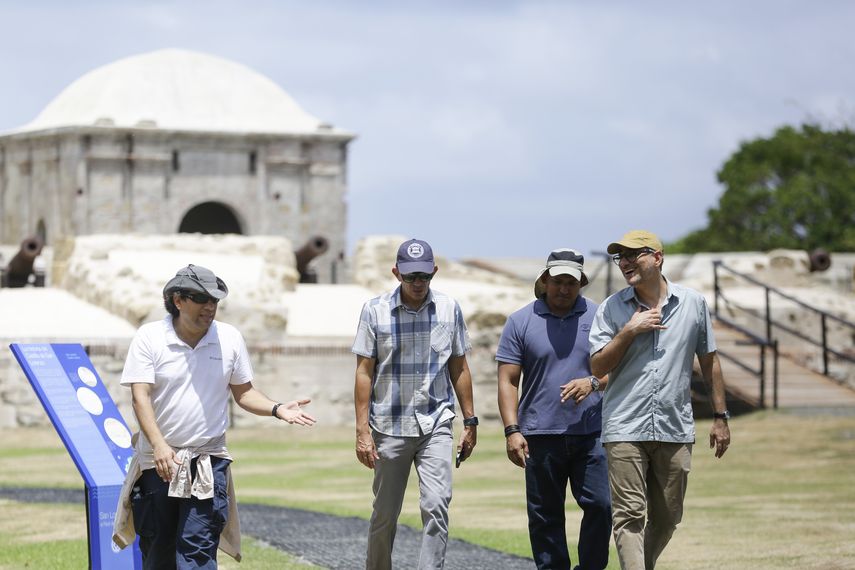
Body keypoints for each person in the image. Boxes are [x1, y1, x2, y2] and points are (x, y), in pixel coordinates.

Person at [112, 264, 316, 569]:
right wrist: (159, 445)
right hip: (158, 462)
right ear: (178, 300)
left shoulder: (230, 338)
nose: (210, 307)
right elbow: (140, 396)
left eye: (215, 301)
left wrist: (277, 409)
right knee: (158, 551)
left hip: (208, 460)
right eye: (201, 299)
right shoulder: (149, 337)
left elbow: (244, 393)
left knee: (197, 550)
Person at [588, 230, 731, 570]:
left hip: (674, 426)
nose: (624, 263)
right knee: (629, 516)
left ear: (657, 257)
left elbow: (709, 361)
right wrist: (629, 331)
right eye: (619, 257)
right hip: (624, 426)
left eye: (632, 255)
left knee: (668, 517)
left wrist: (721, 416)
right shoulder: (611, 308)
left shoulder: (693, 303)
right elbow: (597, 365)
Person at [352, 238, 478, 570]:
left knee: (437, 505)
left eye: (424, 276)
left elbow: (460, 367)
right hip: (389, 426)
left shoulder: (450, 309)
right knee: (384, 515)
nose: (418, 283)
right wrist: (361, 431)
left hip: (435, 423)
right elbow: (364, 372)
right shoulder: (374, 310)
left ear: (434, 272)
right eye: (411, 277)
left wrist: (470, 421)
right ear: (397, 273)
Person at [496, 248, 612, 570]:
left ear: (581, 284)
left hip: (591, 431)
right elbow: (507, 380)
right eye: (558, 281)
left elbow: (616, 367)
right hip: (539, 433)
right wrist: (512, 430)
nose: (564, 289)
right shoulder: (520, 321)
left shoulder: (598, 316)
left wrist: (592, 382)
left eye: (571, 283)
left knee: (602, 505)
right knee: (545, 516)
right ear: (545, 280)